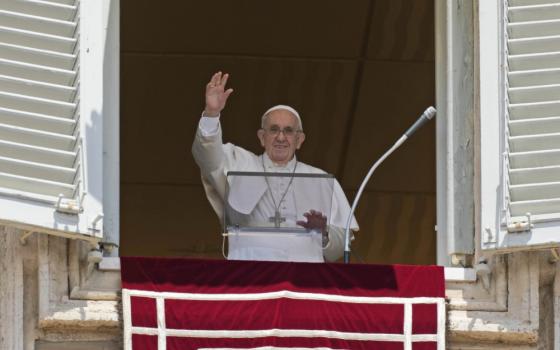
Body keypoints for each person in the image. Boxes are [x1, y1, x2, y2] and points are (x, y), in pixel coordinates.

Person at [192, 72, 358, 262]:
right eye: (273, 130)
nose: (280, 137)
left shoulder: (319, 179)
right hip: (250, 274)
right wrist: (212, 114)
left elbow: (341, 247)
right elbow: (207, 157)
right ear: (262, 137)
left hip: (304, 278)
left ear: (299, 140)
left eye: (288, 131)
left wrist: (325, 231)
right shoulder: (240, 162)